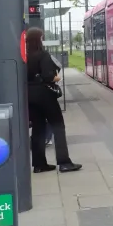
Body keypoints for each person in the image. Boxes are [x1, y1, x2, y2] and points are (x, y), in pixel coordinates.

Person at [25, 28, 81, 173]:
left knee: (38, 129)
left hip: (30, 96)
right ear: (40, 39)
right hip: (45, 96)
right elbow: (49, 76)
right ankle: (64, 162)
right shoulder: (43, 55)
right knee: (58, 126)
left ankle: (39, 164)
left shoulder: (25, 56)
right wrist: (56, 78)